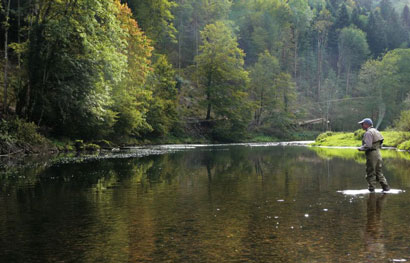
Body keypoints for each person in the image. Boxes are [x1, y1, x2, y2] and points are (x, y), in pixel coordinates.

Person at [358, 118, 390, 192]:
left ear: (366, 124)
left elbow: (368, 145)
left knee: (370, 172)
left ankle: (371, 190)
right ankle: (386, 188)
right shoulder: (376, 131)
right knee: (379, 172)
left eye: (362, 124)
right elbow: (381, 143)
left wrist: (361, 148)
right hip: (378, 153)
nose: (361, 126)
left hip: (372, 154)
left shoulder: (368, 132)